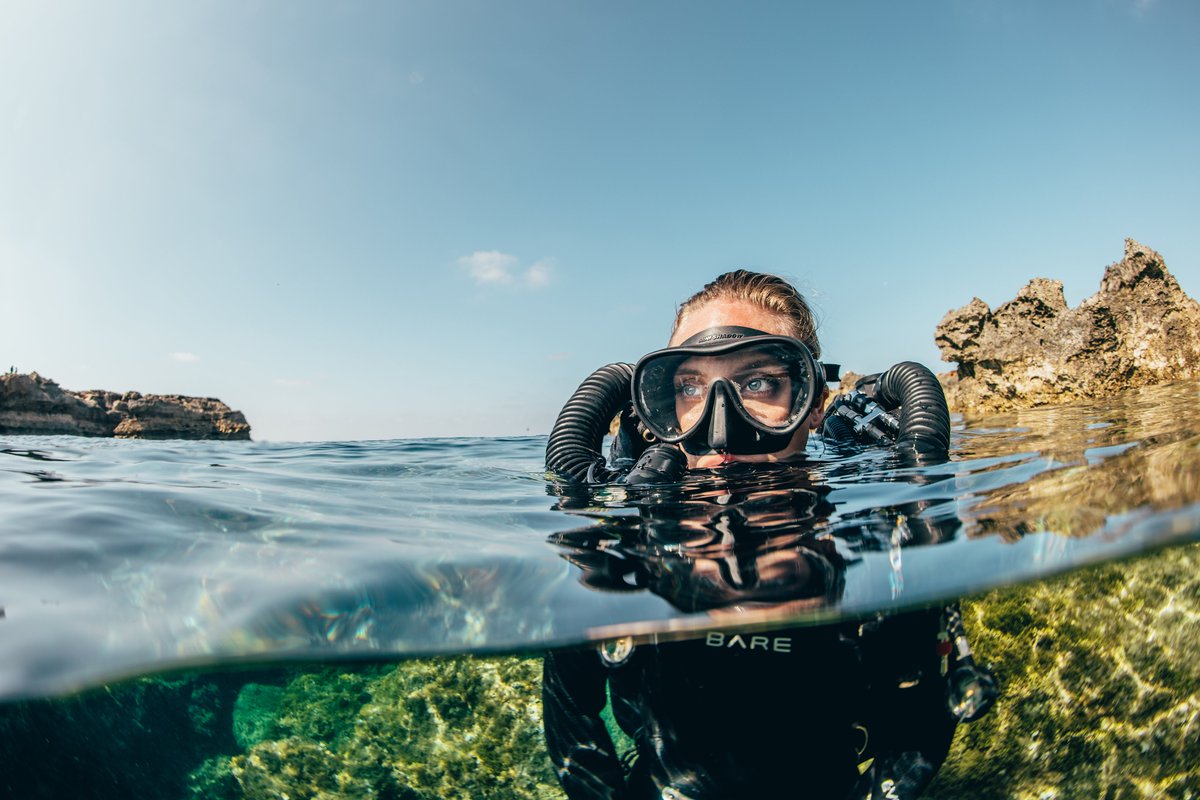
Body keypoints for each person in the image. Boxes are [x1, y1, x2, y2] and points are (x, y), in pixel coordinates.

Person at [543, 270, 990, 799]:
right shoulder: (626, 511)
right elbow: (571, 713)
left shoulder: (869, 515)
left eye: (758, 382)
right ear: (661, 404)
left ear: (813, 402)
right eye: (690, 386)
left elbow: (922, 719)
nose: (720, 424)